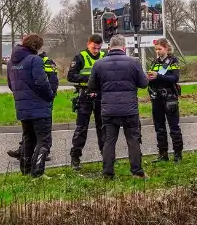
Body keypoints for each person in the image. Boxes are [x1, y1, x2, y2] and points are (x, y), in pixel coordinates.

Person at [88, 34, 149, 179]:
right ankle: (137, 171)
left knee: (109, 140)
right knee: (133, 139)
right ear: (124, 47)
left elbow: (92, 86)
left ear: (109, 47)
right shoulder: (133, 62)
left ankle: (108, 173)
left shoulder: (99, 64)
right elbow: (144, 83)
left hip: (109, 109)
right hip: (129, 109)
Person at [7, 34, 55, 176]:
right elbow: (42, 83)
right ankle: (37, 173)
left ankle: (26, 170)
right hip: (39, 108)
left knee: (28, 139)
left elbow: (11, 85)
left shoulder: (11, 62)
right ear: (36, 47)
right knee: (43, 141)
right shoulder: (35, 60)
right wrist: (49, 96)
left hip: (22, 107)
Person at [67, 34, 105, 171]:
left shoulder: (104, 56)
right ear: (88, 44)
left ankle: (106, 156)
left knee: (103, 128)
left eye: (98, 48)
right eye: (94, 47)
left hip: (101, 96)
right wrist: (89, 78)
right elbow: (70, 76)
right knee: (81, 128)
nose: (96, 50)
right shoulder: (80, 57)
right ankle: (75, 158)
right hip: (85, 95)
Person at [147, 38, 184, 163]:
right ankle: (163, 154)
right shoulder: (155, 62)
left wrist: (159, 76)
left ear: (167, 48)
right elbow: (153, 78)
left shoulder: (173, 61)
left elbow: (174, 78)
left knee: (174, 127)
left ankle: (178, 155)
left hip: (169, 98)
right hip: (156, 98)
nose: (158, 51)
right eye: (156, 49)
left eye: (160, 49)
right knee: (159, 127)